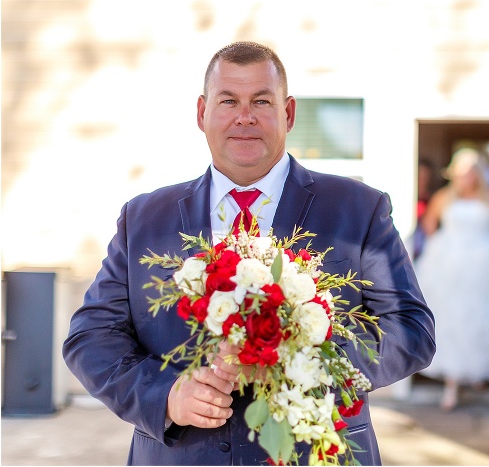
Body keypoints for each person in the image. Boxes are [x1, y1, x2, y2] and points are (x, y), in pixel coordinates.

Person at [63, 41, 436, 465]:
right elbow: (91, 338)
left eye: (262, 100)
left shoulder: (358, 208)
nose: (245, 116)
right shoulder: (144, 217)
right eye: (228, 101)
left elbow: (411, 331)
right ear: (202, 113)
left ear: (289, 113)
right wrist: (164, 396)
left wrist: (299, 364)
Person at [414, 147, 489, 410]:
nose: (464, 179)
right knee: (452, 320)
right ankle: (452, 384)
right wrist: (441, 248)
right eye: (460, 173)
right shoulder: (444, 197)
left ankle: (479, 374)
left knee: (483, 320)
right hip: (450, 267)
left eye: (468, 173)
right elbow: (429, 224)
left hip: (487, 265)